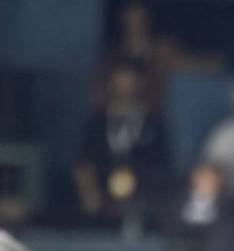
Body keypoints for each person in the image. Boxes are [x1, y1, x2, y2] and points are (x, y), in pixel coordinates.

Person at [73, 57, 173, 224]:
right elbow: (83, 162)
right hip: (100, 197)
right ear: (110, 82)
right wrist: (90, 194)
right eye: (120, 78)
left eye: (131, 79)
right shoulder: (96, 123)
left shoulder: (154, 124)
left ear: (141, 83)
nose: (125, 85)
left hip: (143, 198)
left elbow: (162, 165)